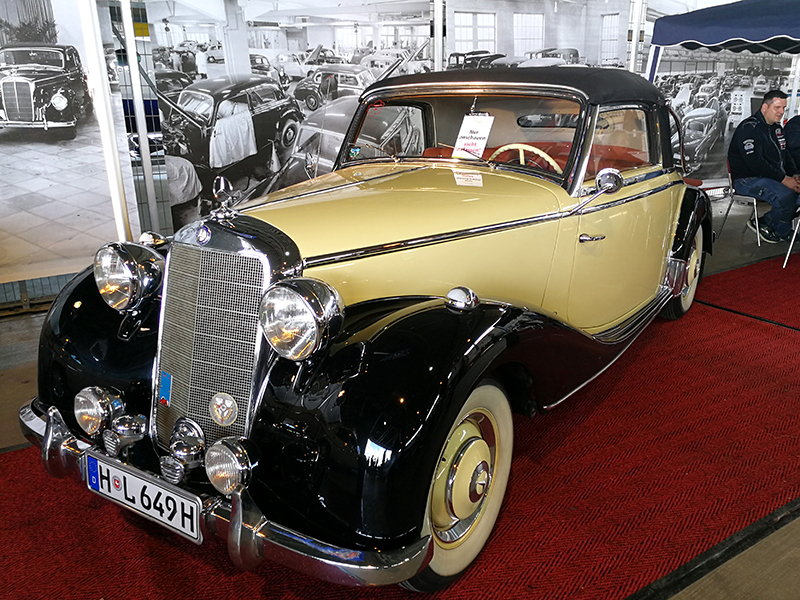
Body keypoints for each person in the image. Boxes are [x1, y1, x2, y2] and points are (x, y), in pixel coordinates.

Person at [728, 89, 800, 243]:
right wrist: (784, 179)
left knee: (797, 195)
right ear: (765, 107)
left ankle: (768, 222)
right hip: (747, 180)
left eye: (783, 108)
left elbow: (786, 154)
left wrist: (794, 174)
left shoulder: (777, 128)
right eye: (777, 107)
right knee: (787, 196)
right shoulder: (749, 128)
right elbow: (755, 163)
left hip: (771, 177)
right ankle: (780, 229)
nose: (781, 112)